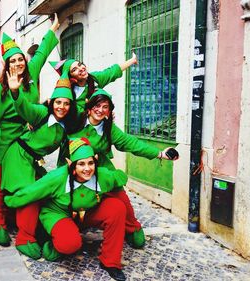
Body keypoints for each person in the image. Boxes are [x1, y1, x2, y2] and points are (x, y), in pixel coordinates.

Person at [67, 89, 179, 249]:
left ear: (109, 110)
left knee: (121, 199)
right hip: (74, 170)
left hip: (102, 169)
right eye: (97, 105)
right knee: (67, 200)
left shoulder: (109, 128)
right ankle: (66, 228)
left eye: (105, 107)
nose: (100, 110)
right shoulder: (76, 121)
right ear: (89, 107)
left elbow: (131, 143)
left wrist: (159, 153)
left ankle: (131, 227)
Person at [5, 138, 129, 281]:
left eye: (90, 163)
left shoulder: (103, 176)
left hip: (86, 214)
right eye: (81, 164)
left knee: (117, 207)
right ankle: (51, 242)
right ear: (70, 164)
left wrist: (117, 187)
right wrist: (8, 202)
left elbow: (120, 177)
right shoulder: (57, 178)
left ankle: (111, 262)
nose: (87, 168)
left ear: (95, 160)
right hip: (58, 214)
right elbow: (31, 192)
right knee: (70, 243)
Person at [0, 13, 60, 247]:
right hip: (2, 143)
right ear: (6, 65)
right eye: (13, 61)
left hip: (25, 142)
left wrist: (53, 28)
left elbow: (41, 53)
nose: (18, 64)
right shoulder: (1, 91)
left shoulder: (31, 75)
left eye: (20, 60)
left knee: (26, 180)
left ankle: (17, 217)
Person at [1, 68, 77, 259]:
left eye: (67, 103)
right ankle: (24, 238)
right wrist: (15, 92)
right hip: (18, 156)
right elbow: (24, 107)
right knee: (30, 194)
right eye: (58, 102)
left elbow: (64, 156)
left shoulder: (66, 127)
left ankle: (40, 230)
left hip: (33, 162)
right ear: (51, 102)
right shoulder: (41, 113)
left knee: (47, 191)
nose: (62, 107)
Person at [49, 52, 138, 114]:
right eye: (74, 70)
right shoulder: (67, 92)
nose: (81, 69)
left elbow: (112, 72)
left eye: (80, 64)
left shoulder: (93, 78)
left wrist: (132, 60)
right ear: (71, 77)